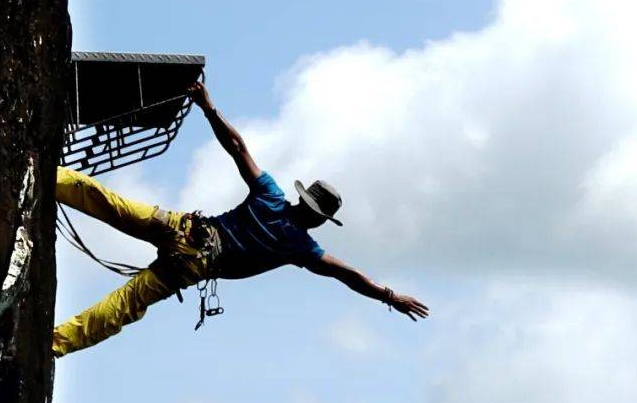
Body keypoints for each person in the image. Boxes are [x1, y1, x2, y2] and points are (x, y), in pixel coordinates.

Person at [52, 78, 429, 357]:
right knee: (123, 307)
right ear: (320, 218)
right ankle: (56, 341)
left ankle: (54, 179)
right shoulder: (301, 247)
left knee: (109, 203)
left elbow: (236, 147)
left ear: (305, 201)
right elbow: (347, 274)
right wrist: (390, 297)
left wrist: (208, 107)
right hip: (191, 264)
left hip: (184, 227)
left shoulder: (271, 195)